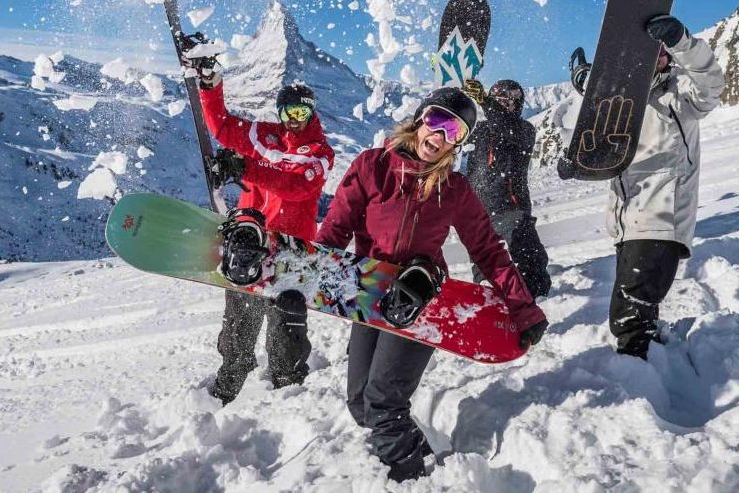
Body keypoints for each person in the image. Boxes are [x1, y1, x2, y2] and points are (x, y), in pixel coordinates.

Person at [316, 87, 548, 481]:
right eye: (437, 122)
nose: (440, 137)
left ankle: (415, 481)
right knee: (360, 404)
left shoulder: (454, 189)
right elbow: (335, 229)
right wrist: (305, 278)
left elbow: (489, 251)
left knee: (383, 403)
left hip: (420, 298)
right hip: (370, 294)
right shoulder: (373, 166)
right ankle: (429, 459)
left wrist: (523, 308)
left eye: (454, 132)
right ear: (420, 120)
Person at [569, 14, 724, 360]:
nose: (657, 58)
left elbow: (711, 84)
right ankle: (656, 361)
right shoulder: (621, 104)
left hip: (661, 220)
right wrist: (576, 164)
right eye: (648, 53)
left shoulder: (680, 94)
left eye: (662, 52)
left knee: (630, 318)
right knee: (633, 310)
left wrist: (682, 41)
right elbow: (602, 153)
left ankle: (638, 384)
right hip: (627, 224)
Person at [197, 69, 335, 403]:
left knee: (285, 337)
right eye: (288, 112)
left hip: (292, 252)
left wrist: (246, 168)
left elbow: (296, 187)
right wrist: (209, 85)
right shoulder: (265, 137)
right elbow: (222, 127)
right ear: (280, 112)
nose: (294, 120)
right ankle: (221, 396)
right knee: (238, 331)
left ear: (312, 112)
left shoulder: (320, 153)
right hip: (252, 244)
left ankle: (287, 397)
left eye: (301, 112)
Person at [461, 78, 552, 297]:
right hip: (479, 208)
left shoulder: (523, 130)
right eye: (501, 101)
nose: (507, 106)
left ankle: (538, 293)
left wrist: (486, 102)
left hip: (512, 205)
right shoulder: (480, 130)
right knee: (484, 261)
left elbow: (504, 127)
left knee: (526, 249)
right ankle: (488, 294)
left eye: (512, 101)